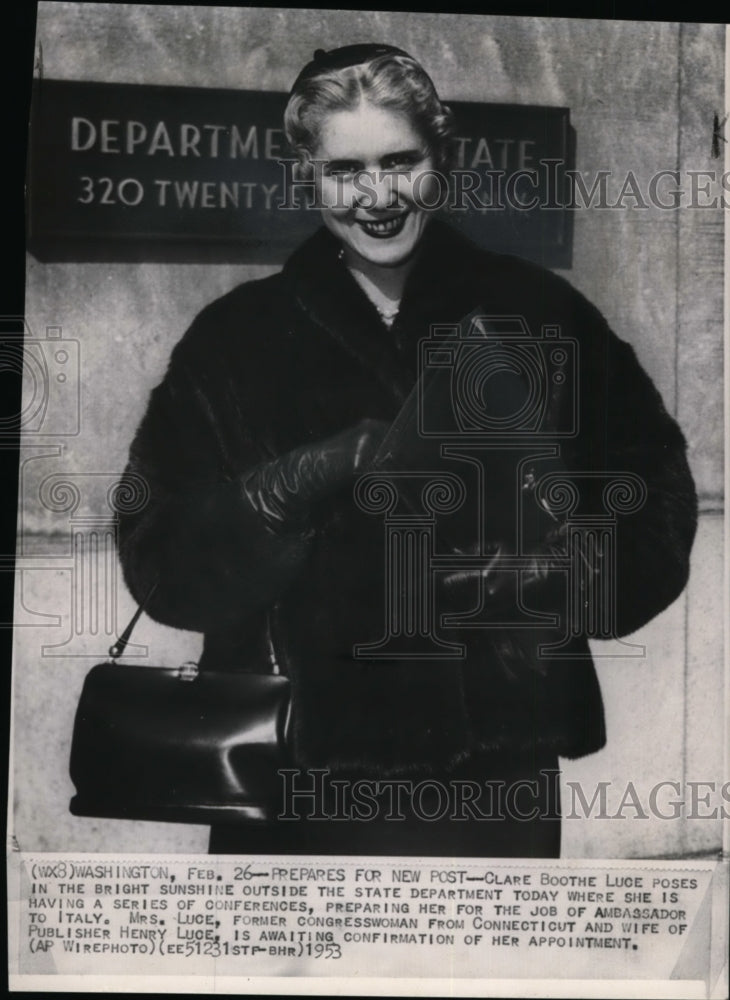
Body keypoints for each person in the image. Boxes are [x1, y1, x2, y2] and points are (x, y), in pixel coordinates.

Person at [116, 44, 697, 857]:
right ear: (306, 178)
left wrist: (539, 577)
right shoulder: (235, 339)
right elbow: (161, 564)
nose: (378, 196)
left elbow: (655, 511)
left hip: (492, 779)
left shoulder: (539, 313)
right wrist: (280, 492)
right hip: (290, 776)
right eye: (346, 170)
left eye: (401, 161)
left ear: (441, 160)